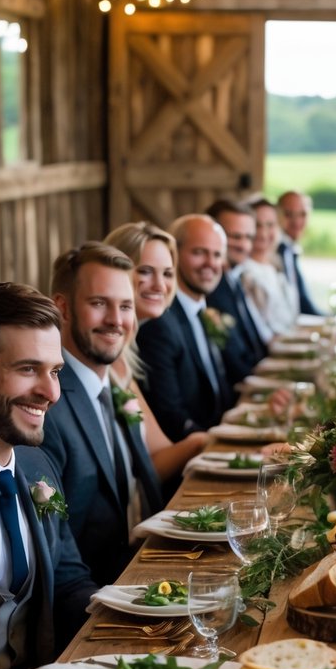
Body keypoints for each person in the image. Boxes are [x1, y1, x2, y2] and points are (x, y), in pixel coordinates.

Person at [0, 283, 95, 669]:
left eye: (55, 371)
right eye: (27, 369)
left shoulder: (35, 465)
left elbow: (68, 579)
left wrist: (129, 615)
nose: (51, 392)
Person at [42, 243, 163, 586]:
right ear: (62, 309)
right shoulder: (48, 404)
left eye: (125, 306)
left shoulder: (114, 385)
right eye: (99, 304)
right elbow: (56, 553)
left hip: (144, 571)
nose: (116, 320)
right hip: (93, 597)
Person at [103, 221, 210, 488]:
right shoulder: (104, 356)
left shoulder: (125, 356)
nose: (160, 285)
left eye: (168, 273)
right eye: (145, 271)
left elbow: (158, 454)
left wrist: (219, 444)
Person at [137, 215, 235, 442]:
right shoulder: (160, 324)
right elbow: (170, 416)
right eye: (199, 252)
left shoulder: (202, 310)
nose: (211, 263)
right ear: (175, 255)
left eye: (217, 254)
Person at [205, 198, 268, 383]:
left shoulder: (234, 278)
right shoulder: (210, 289)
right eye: (235, 236)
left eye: (248, 237)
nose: (243, 245)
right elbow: (232, 363)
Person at [243, 195, 299, 335]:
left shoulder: (276, 264)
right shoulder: (245, 273)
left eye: (270, 225)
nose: (263, 233)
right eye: (257, 225)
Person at [277, 190, 322, 316]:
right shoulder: (278, 250)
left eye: (302, 214)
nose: (296, 222)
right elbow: (304, 305)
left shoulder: (289, 250)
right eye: (288, 214)